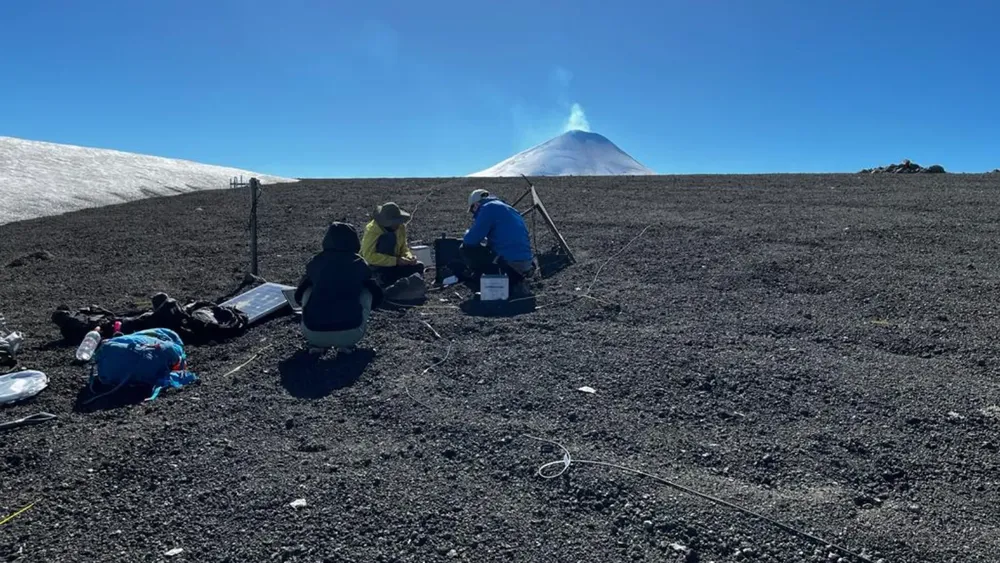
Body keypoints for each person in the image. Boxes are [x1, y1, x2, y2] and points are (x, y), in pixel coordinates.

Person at [294, 222, 383, 355]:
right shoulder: (359, 263)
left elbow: (298, 295)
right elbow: (377, 294)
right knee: (366, 289)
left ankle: (318, 344)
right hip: (351, 333)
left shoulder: (316, 262)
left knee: (309, 287)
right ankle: (346, 345)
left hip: (312, 331)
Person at [461, 189, 535, 292]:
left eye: (473, 210)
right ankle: (517, 280)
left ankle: (480, 280)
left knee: (467, 249)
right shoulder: (508, 208)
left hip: (509, 263)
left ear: (476, 204)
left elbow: (470, 240)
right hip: (526, 262)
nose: (474, 214)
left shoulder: (488, 208)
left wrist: (467, 234)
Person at [360, 202, 425, 288]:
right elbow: (368, 256)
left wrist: (409, 257)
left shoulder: (400, 227)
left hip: (395, 264)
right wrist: (396, 261)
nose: (398, 224)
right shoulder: (373, 230)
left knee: (419, 266)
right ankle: (380, 279)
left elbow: (403, 247)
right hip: (377, 267)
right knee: (388, 238)